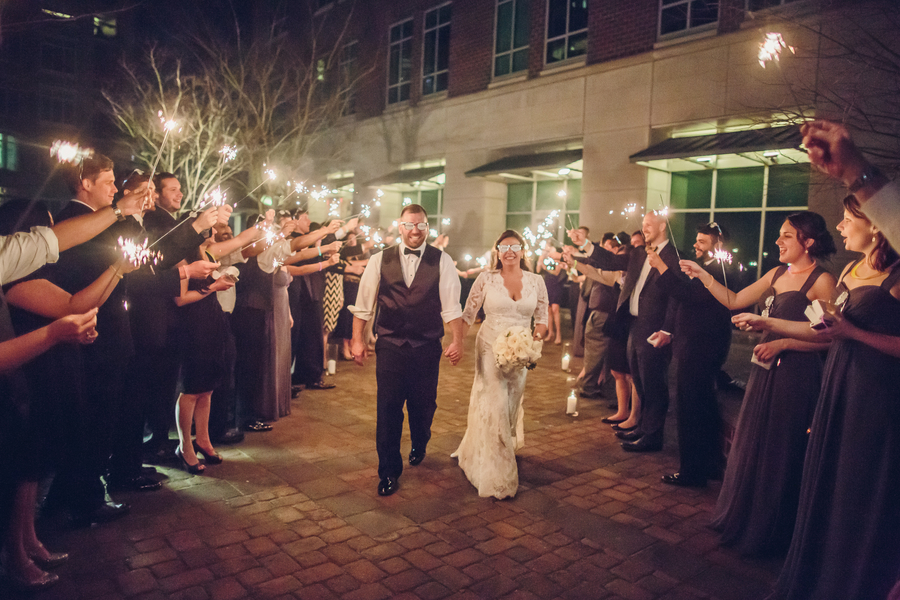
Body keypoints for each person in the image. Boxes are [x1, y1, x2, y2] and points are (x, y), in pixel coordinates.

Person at [737, 196, 900, 599]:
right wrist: (768, 321)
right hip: (838, 383)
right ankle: (818, 571)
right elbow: (823, 330)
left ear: (877, 226)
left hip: (875, 392)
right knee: (827, 474)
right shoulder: (850, 268)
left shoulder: (896, 276)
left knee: (857, 484)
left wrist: (855, 335)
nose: (840, 227)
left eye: (848, 220)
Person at [681, 211, 835, 555]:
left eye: (786, 236)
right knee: (757, 445)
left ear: (807, 242)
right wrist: (704, 274)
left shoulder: (823, 281)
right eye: (779, 235)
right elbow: (735, 300)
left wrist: (779, 339)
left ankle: (774, 533)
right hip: (766, 371)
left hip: (797, 376)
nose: (778, 242)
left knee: (782, 450)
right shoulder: (777, 273)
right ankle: (750, 520)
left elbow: (829, 338)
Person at [350, 204, 464, 496]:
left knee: (423, 405)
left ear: (428, 228)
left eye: (421, 226)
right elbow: (364, 304)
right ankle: (388, 471)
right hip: (390, 345)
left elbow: (452, 306)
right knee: (388, 408)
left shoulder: (443, 260)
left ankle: (420, 439)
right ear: (399, 226)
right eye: (410, 225)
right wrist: (358, 340)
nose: (415, 231)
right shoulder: (379, 259)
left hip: (427, 345)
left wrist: (457, 340)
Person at [566, 211, 679, 452]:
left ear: (662, 227)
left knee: (654, 384)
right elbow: (609, 261)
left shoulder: (673, 256)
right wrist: (585, 244)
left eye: (649, 224)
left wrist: (668, 330)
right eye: (643, 224)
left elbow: (674, 298)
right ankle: (641, 427)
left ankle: (653, 435)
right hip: (634, 324)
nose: (644, 227)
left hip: (655, 329)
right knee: (638, 378)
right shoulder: (638, 253)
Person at [452, 230, 548, 498]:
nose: (509, 251)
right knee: (495, 402)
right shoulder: (486, 279)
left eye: (514, 246)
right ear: (497, 252)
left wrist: (531, 344)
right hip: (489, 347)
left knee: (510, 405)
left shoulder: (536, 281)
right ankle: (498, 473)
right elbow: (468, 314)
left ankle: (490, 447)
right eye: (503, 247)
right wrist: (457, 342)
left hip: (521, 352)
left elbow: (542, 320)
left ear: (523, 251)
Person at [648, 222, 733, 487]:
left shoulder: (718, 269)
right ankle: (709, 465)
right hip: (696, 345)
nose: (695, 245)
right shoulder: (707, 268)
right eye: (696, 240)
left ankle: (692, 472)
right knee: (701, 405)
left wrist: (662, 267)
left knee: (691, 408)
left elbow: (687, 295)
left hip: (701, 347)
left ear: (717, 245)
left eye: (702, 242)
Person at [536, 240, 565, 344]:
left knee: (555, 309)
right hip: (547, 284)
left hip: (556, 284)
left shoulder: (556, 257)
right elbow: (538, 270)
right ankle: (550, 333)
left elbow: (557, 272)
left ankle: (558, 334)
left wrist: (546, 268)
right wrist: (541, 257)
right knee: (548, 309)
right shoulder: (544, 258)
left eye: (548, 247)